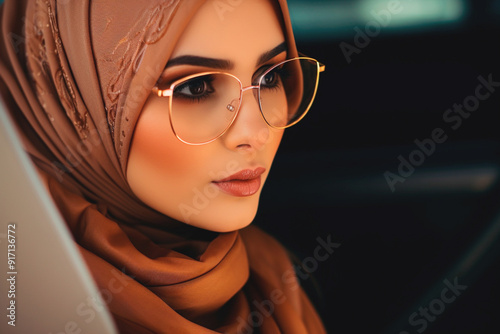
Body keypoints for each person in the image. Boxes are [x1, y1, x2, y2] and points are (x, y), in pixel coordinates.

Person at [0, 0, 325, 332]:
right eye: (195, 87)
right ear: (73, 97)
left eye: (271, 77)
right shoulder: (21, 300)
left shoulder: (269, 275)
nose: (255, 133)